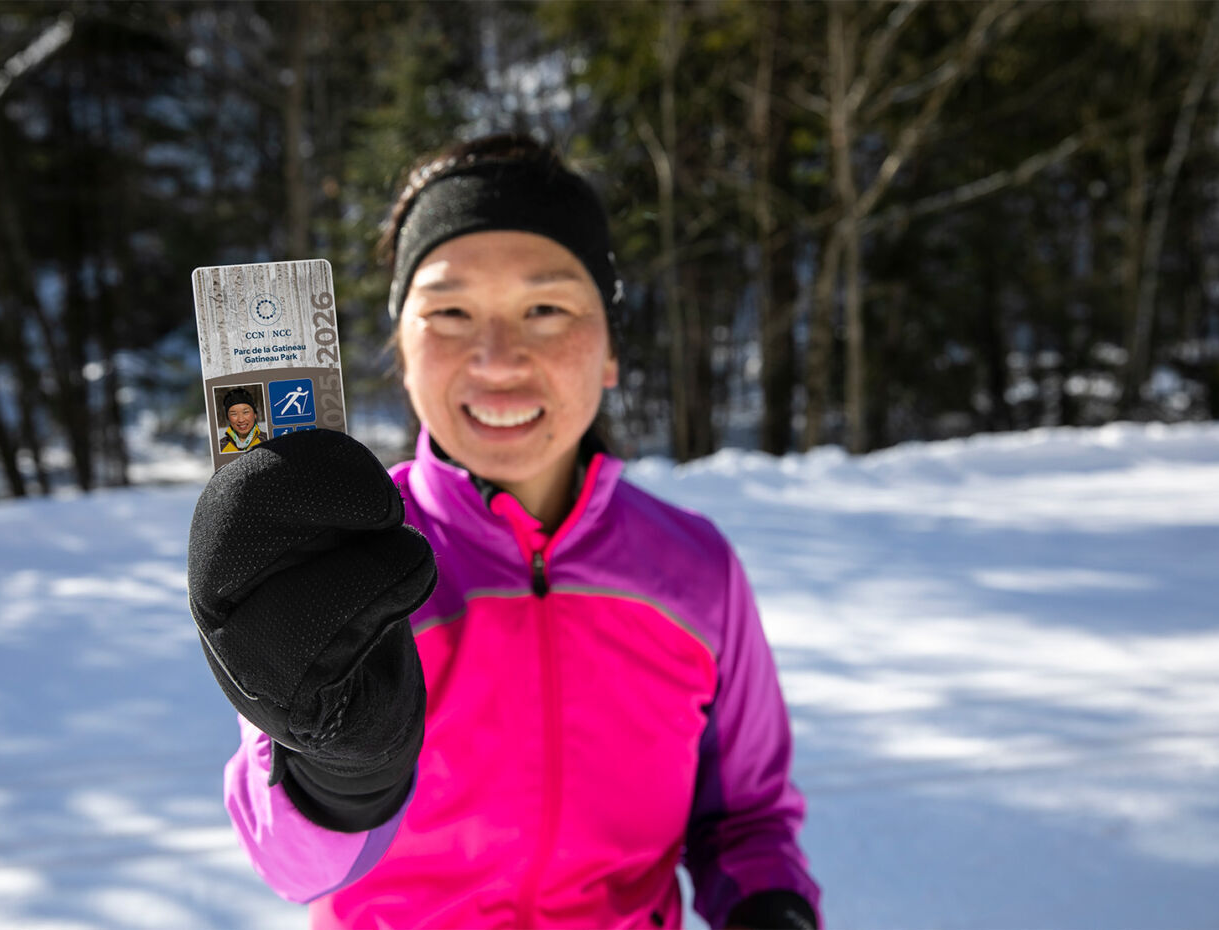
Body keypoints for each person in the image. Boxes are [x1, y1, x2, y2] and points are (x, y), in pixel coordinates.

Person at [186, 133, 821, 930]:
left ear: (611, 349)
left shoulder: (697, 571)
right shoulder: (337, 562)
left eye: (546, 308)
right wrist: (341, 776)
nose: (497, 359)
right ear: (402, 349)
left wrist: (770, 907)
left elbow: (748, 819)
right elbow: (291, 865)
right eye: (450, 311)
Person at [218, 386, 268, 452]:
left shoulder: (268, 441)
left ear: (255, 414)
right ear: (228, 417)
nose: (241, 420)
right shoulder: (220, 446)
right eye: (234, 414)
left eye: (245, 412)